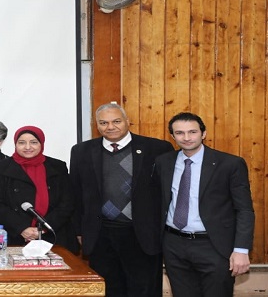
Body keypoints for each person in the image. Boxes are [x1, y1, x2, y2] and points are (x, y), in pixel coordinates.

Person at [69, 102, 174, 297]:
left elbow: (168, 193)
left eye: (116, 121)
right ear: (97, 125)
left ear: (127, 121)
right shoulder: (81, 151)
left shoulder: (157, 148)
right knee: (108, 290)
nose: (110, 127)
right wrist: (79, 231)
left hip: (142, 235)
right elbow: (75, 193)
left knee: (143, 290)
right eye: (104, 123)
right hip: (101, 235)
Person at [156, 112, 254, 297]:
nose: (186, 137)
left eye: (192, 132)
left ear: (204, 133)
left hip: (214, 246)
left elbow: (244, 210)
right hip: (174, 245)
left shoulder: (230, 164)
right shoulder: (164, 162)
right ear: (172, 136)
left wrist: (241, 249)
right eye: (180, 133)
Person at [0, 126, 78, 252]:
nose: (28, 147)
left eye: (33, 142)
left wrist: (43, 228)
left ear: (41, 144)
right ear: (15, 144)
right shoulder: (1, 168)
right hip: (14, 235)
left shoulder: (57, 166)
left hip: (53, 234)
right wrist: (22, 228)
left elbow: (67, 203)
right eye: (22, 143)